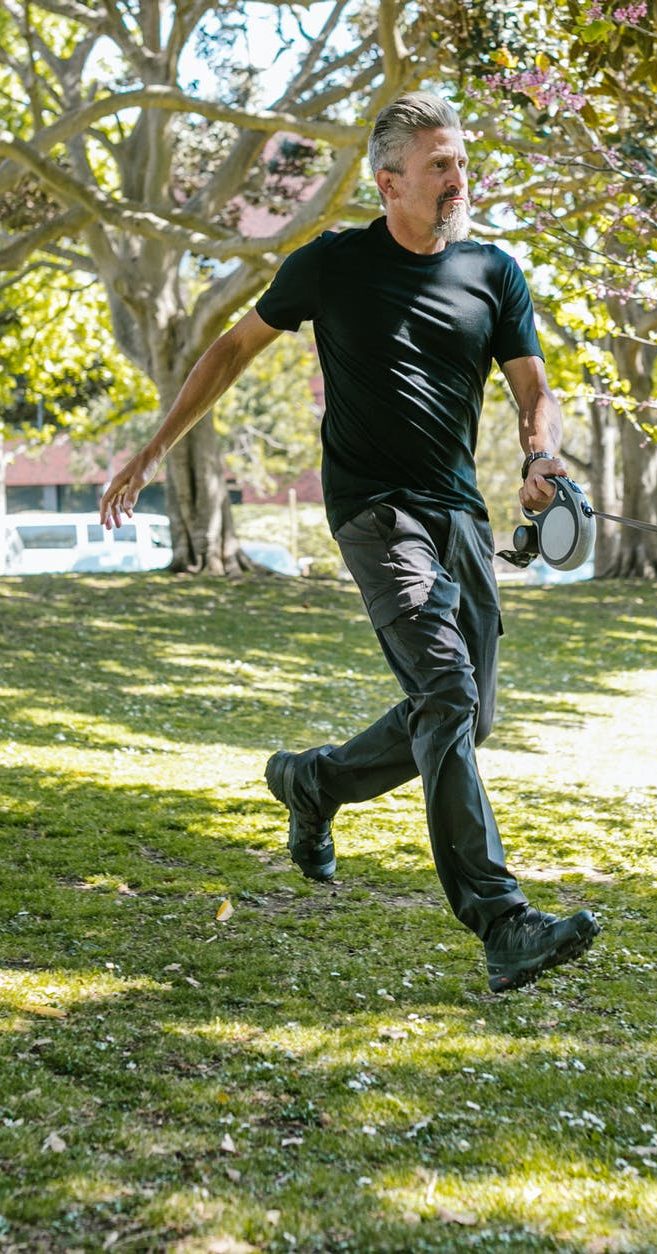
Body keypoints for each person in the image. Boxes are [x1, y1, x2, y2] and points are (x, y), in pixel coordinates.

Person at [99, 91, 600, 994]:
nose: (458, 179)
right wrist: (150, 449)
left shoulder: (494, 272)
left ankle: (313, 782)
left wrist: (541, 456)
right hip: (374, 512)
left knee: (463, 717)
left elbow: (534, 387)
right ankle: (502, 922)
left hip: (458, 516)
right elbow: (229, 349)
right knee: (445, 690)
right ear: (390, 181)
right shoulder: (331, 265)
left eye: (460, 161)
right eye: (439, 165)